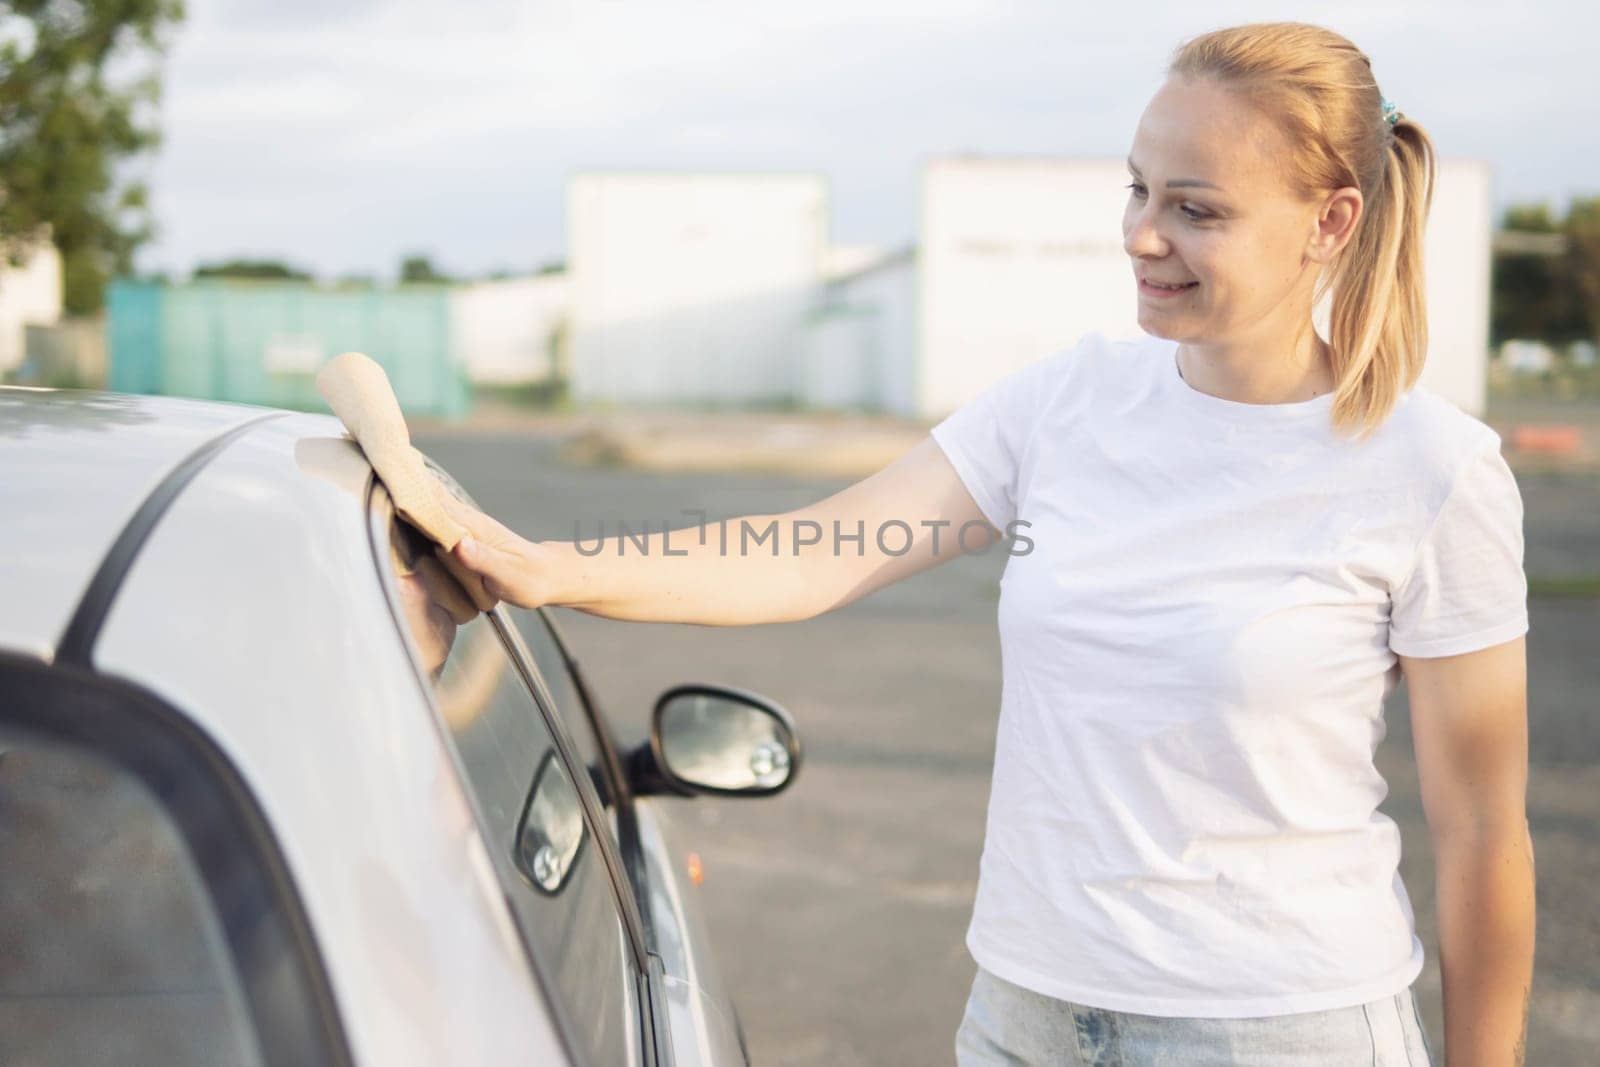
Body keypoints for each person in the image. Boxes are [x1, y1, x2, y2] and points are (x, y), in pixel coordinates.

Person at [435, 20, 1535, 1065]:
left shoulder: (1430, 472)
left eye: (1196, 209)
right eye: (1137, 189)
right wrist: (545, 568)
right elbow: (820, 547)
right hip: (1026, 1016)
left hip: (1277, 1027)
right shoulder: (1066, 405)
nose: (1141, 235)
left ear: (1329, 223)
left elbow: (1482, 827)